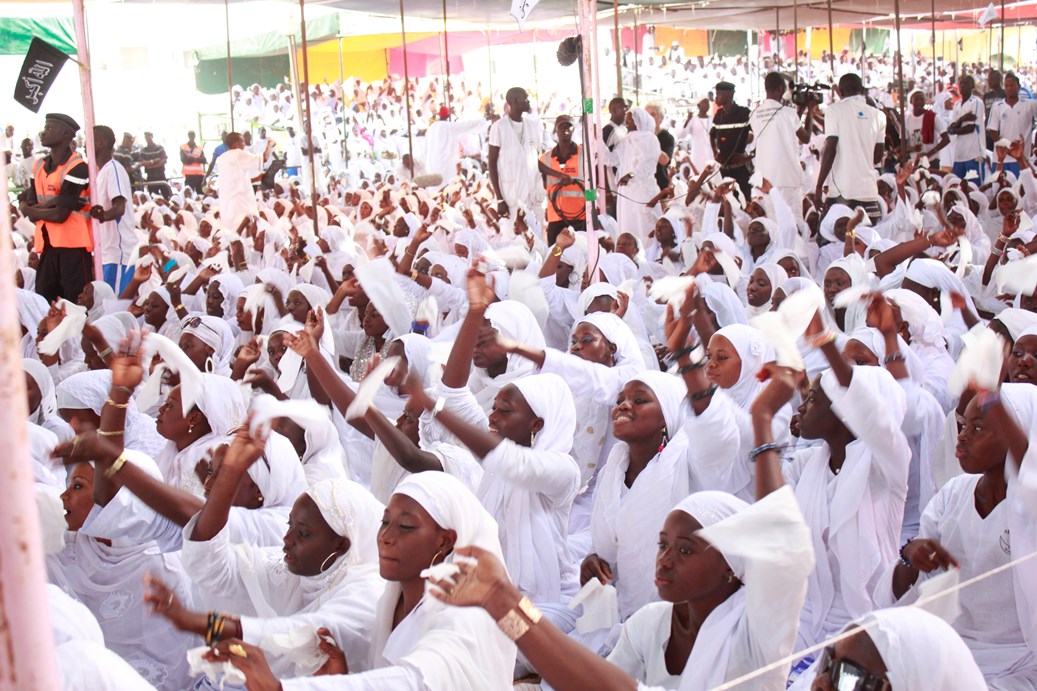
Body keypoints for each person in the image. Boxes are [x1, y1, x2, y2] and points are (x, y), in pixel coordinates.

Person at [203, 471, 518, 690]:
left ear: (445, 541)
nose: (386, 537)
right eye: (385, 522)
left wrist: (280, 688)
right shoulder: (391, 600)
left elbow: (414, 681)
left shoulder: (465, 614)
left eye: (405, 527)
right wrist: (341, 675)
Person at [19, 113, 94, 304]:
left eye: (49, 129)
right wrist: (54, 202)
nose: (43, 133)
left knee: (75, 306)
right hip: (47, 246)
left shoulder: (77, 166)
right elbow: (32, 211)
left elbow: (60, 215)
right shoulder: (39, 165)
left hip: (73, 249)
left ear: (66, 135)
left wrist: (31, 209)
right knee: (45, 303)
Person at [814, 73, 886, 223]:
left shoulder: (834, 110)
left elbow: (830, 149)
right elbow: (877, 157)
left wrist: (819, 186)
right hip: (869, 193)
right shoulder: (879, 115)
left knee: (828, 235)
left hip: (842, 193)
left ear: (840, 92)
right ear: (862, 90)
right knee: (867, 237)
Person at [750, 72, 812, 218]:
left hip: (765, 179)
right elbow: (806, 138)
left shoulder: (754, 114)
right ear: (779, 89)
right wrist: (810, 110)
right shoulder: (788, 112)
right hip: (787, 178)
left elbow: (780, 127)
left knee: (773, 222)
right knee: (793, 222)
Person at [89, 125, 137, 294]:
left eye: (90, 139)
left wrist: (103, 215)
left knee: (116, 305)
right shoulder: (99, 172)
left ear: (101, 143)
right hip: (107, 254)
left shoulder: (114, 169)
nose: (85, 144)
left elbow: (119, 207)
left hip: (119, 255)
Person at [488, 87, 545, 220]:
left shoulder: (532, 125)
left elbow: (537, 161)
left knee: (538, 232)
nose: (528, 102)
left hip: (534, 197)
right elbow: (492, 164)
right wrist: (499, 199)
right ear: (514, 101)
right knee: (516, 232)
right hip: (511, 198)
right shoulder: (499, 127)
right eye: (525, 99)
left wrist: (557, 175)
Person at [609, 106, 662, 242]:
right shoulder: (626, 140)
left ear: (640, 120)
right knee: (629, 226)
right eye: (626, 120)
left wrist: (631, 176)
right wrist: (598, 144)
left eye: (630, 119)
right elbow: (613, 159)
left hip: (643, 191)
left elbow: (648, 164)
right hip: (627, 192)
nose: (626, 122)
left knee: (645, 225)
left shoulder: (650, 138)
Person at [539, 115, 586, 244]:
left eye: (568, 126)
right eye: (561, 126)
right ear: (556, 129)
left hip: (580, 217)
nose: (565, 129)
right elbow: (543, 184)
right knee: (555, 253)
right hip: (555, 217)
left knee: (580, 250)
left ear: (573, 129)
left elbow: (592, 184)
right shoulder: (545, 159)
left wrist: (592, 207)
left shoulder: (584, 154)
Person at [216, 131, 274, 232]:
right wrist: (269, 145)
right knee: (245, 234)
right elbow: (264, 158)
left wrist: (256, 179)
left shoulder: (222, 158)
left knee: (231, 235)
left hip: (227, 207)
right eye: (242, 141)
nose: (244, 144)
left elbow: (234, 180)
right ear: (236, 143)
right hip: (240, 204)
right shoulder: (238, 153)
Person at [424, 105, 489, 190]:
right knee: (449, 188)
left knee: (434, 189)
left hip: (433, 163)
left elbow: (426, 148)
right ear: (448, 116)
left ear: (439, 115)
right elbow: (468, 125)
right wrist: (485, 120)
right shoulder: (451, 127)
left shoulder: (431, 128)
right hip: (447, 164)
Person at [986, 72, 1037, 178]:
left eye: (1012, 85)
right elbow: (993, 130)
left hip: (1021, 158)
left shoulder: (1030, 104)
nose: (1009, 88)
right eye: (1007, 86)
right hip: (1001, 159)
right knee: (1001, 186)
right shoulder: (997, 106)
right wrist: (1003, 146)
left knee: (1021, 186)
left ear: (1018, 87)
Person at [710, 81, 753, 200]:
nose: (716, 97)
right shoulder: (719, 115)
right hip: (724, 171)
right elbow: (712, 135)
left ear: (730, 94)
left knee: (744, 202)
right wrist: (715, 152)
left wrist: (749, 156)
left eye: (719, 94)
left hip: (741, 171)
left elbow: (760, 134)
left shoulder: (744, 113)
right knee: (727, 203)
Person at [947, 74, 986, 182]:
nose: (963, 86)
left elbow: (970, 128)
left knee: (974, 186)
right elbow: (951, 127)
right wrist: (962, 119)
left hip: (973, 154)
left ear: (972, 86)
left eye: (966, 83)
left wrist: (954, 129)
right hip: (959, 154)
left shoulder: (976, 102)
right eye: (961, 83)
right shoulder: (957, 104)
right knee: (957, 185)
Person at [903, 90, 951, 169]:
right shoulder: (906, 121)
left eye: (922, 99)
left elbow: (946, 139)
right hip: (915, 162)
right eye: (916, 99)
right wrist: (913, 148)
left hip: (932, 160)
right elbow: (903, 147)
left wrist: (929, 153)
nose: (919, 102)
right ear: (911, 102)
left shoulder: (933, 117)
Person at [602, 96, 628, 217]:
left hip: (624, 186)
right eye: (624, 108)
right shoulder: (608, 130)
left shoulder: (624, 129)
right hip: (614, 188)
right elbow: (601, 159)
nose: (627, 111)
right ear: (613, 110)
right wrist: (606, 189)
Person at [645, 103, 674, 191]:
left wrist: (650, 140)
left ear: (661, 118)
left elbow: (664, 161)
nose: (649, 118)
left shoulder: (667, 137)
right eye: (646, 115)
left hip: (660, 185)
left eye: (653, 115)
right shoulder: (639, 136)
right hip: (642, 186)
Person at [139, 131, 170, 198]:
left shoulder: (160, 148)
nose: (147, 138)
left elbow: (163, 161)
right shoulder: (143, 150)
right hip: (151, 177)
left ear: (152, 137)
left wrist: (151, 165)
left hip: (161, 175)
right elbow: (143, 163)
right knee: (154, 197)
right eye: (146, 137)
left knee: (167, 196)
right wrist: (154, 161)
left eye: (148, 136)